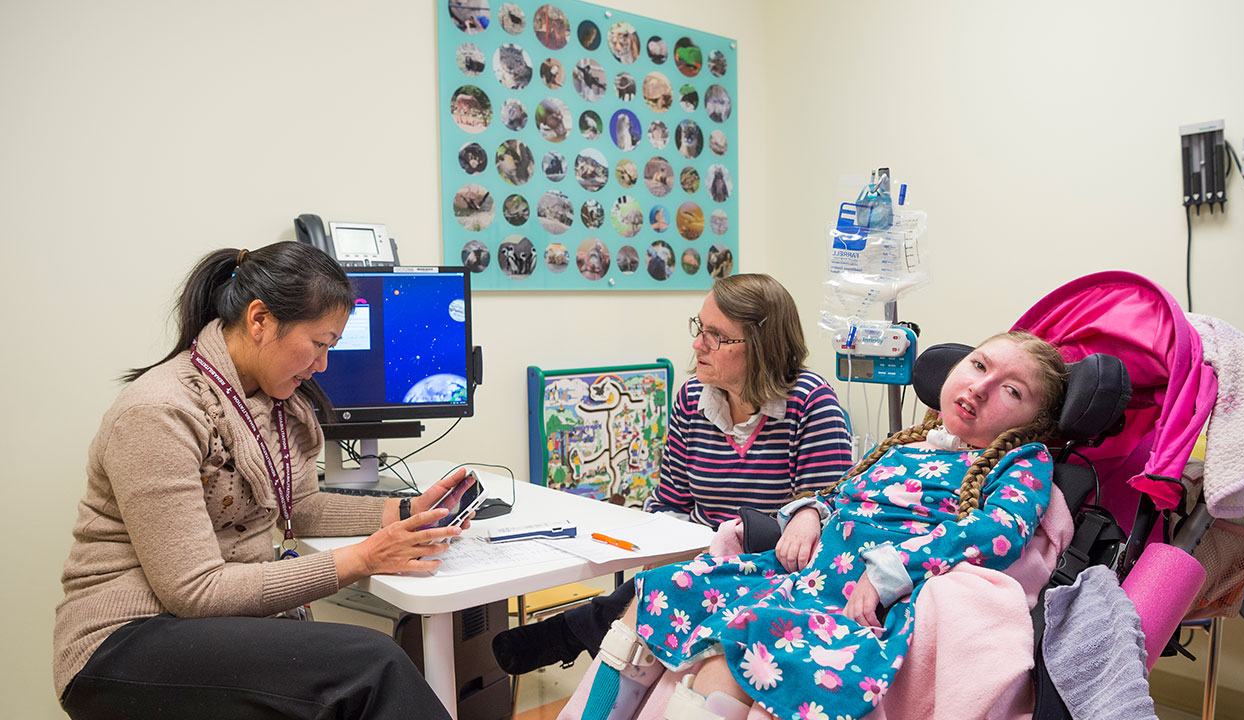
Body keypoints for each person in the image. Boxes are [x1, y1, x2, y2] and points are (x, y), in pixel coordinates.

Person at [54, 242, 468, 719]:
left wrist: (406, 512)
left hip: (203, 627)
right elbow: (196, 591)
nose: (323, 365)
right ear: (259, 321)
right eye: (319, 344)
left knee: (358, 668)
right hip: (122, 640)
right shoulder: (159, 413)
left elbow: (300, 508)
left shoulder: (273, 403)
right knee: (373, 663)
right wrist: (366, 558)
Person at [576, 331, 1069, 720]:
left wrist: (891, 569)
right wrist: (811, 512)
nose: (979, 387)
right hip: (805, 576)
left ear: (1034, 422)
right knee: (661, 589)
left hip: (853, 604)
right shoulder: (906, 445)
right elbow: (841, 496)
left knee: (735, 661)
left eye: (1011, 389)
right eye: (979, 365)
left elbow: (999, 531)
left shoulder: (1025, 460)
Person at [492, 273, 853, 674]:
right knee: (651, 604)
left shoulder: (811, 402)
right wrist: (658, 545)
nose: (698, 343)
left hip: (769, 571)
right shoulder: (690, 400)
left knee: (650, 608)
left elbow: (826, 511)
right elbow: (670, 503)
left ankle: (573, 630)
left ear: (762, 346)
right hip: (697, 559)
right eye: (700, 328)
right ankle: (580, 632)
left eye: (715, 335)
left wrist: (802, 517)